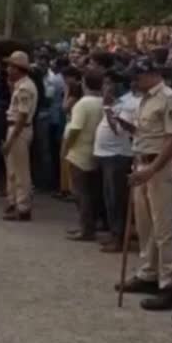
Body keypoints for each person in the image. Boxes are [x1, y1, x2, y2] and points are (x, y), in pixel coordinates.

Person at [116, 58, 172, 311]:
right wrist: (127, 126)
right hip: (142, 162)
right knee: (145, 225)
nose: (134, 81)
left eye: (138, 76)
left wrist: (152, 170)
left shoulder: (170, 98)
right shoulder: (145, 98)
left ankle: (171, 286)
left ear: (152, 74)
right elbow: (149, 132)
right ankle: (149, 273)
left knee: (165, 228)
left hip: (160, 167)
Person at [93, 70, 138, 252]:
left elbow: (119, 130)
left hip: (117, 155)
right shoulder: (121, 101)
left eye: (108, 83)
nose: (105, 87)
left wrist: (107, 108)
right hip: (107, 154)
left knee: (116, 199)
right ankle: (114, 233)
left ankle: (119, 238)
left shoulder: (129, 104)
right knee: (109, 198)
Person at [62, 69, 105, 241]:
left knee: (80, 193)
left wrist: (66, 147)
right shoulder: (103, 102)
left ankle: (86, 229)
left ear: (85, 84)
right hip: (95, 151)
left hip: (79, 152)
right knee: (90, 193)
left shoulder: (83, 103)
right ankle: (89, 226)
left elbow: (75, 129)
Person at [2, 51, 39, 221]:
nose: (8, 69)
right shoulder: (20, 85)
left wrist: (10, 140)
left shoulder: (25, 88)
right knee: (13, 170)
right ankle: (15, 202)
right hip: (17, 128)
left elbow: (22, 116)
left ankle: (23, 207)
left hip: (19, 130)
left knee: (21, 171)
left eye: (11, 66)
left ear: (18, 69)